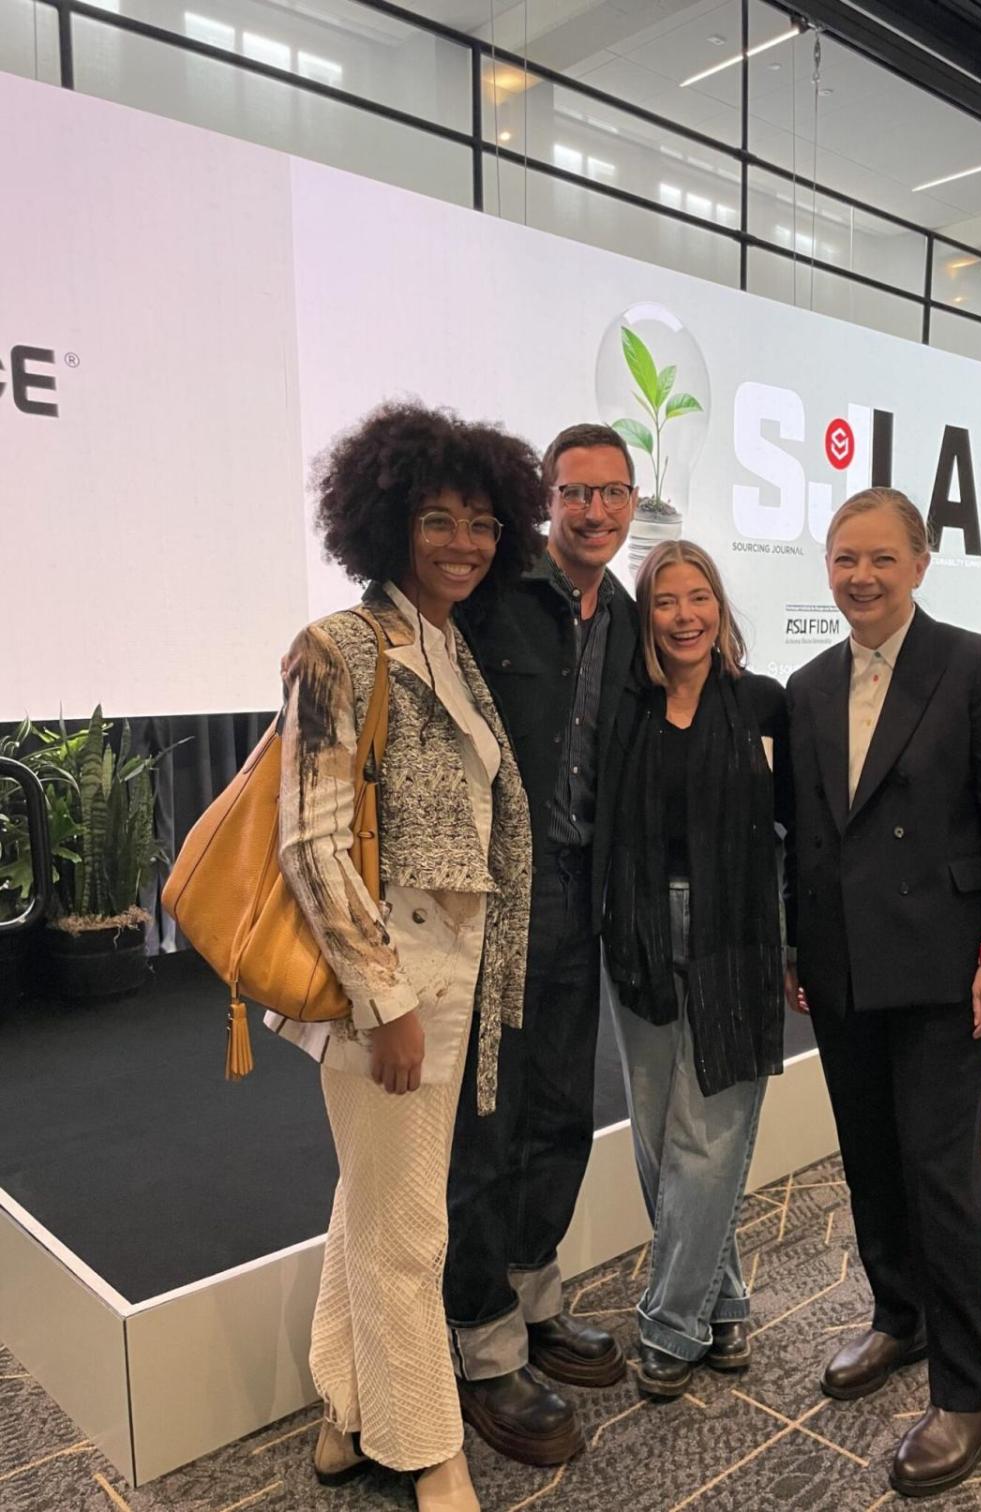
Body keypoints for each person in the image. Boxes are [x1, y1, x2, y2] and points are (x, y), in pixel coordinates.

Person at [270, 401, 546, 1511]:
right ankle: (429, 1446)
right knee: (409, 1228)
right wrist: (382, 1002)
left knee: (374, 1203)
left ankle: (345, 1411)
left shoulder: (445, 643)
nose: (464, 543)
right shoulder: (339, 646)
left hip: (450, 975)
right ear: (386, 521)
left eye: (482, 523)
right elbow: (311, 843)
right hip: (384, 988)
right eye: (439, 519)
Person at [784, 487, 981, 1499]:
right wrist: (801, 952)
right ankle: (899, 1318)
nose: (861, 576)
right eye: (845, 558)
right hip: (842, 967)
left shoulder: (973, 665)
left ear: (921, 564)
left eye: (881, 558)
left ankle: (969, 1390)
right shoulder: (806, 686)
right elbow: (805, 838)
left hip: (942, 967)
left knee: (942, 1180)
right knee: (871, 1163)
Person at [445, 423, 640, 1465]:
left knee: (562, 1111)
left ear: (633, 501)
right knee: (488, 1120)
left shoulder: (635, 617)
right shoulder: (493, 595)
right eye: (576, 494)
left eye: (612, 495)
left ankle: (532, 1303)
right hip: (491, 902)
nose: (594, 513)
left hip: (581, 898)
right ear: (548, 501)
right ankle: (478, 1342)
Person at [604, 540, 792, 1401]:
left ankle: (671, 1324)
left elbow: (799, 834)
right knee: (656, 1137)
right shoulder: (627, 707)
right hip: (639, 929)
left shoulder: (763, 704)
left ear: (721, 606)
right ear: (647, 619)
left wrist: (801, 945)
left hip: (738, 933)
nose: (685, 616)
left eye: (699, 597)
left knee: (707, 1138)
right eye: (666, 603)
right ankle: (723, 1303)